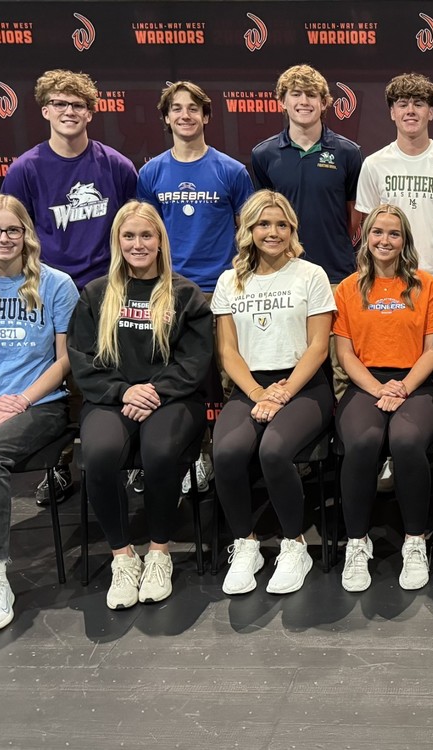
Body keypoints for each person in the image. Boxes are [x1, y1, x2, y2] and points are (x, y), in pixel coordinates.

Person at [1, 69, 138, 505]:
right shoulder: (26, 169)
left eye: (77, 104)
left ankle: (133, 461)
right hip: (51, 292)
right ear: (45, 110)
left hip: (108, 288)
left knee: (123, 372)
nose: (69, 111)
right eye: (59, 104)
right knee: (61, 381)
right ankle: (58, 465)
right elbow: (12, 233)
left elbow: (135, 229)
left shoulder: (115, 165)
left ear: (90, 113)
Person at [68, 201, 213, 610]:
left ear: (160, 241)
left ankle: (159, 553)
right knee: (98, 454)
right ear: (117, 241)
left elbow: (195, 361)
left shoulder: (185, 295)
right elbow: (83, 358)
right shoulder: (96, 294)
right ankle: (123, 557)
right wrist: (123, 391)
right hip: (112, 398)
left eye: (146, 235)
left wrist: (153, 391)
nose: (138, 244)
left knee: (160, 451)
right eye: (129, 236)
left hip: (173, 399)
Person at [0, 195, 78, 632]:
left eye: (13, 230)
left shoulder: (56, 285)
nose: (4, 238)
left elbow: (64, 361)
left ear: (27, 234)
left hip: (40, 405)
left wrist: (21, 401)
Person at [211, 190, 335, 596]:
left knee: (274, 451)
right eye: (264, 224)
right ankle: (245, 544)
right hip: (251, 385)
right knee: (227, 452)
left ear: (292, 230)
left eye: (282, 224)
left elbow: (319, 346)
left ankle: (294, 543)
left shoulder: (310, 275)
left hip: (304, 385)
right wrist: (256, 392)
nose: (273, 232)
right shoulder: (230, 281)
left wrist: (281, 394)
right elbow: (228, 351)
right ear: (248, 230)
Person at [137, 80, 255, 494]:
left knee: (223, 377)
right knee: (177, 377)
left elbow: (249, 229)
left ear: (206, 116)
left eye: (193, 108)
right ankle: (191, 454)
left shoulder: (231, 170)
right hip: (169, 289)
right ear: (167, 118)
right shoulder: (151, 172)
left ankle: (225, 452)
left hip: (221, 288)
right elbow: (144, 233)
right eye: (176, 109)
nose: (184, 115)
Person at [334, 205, 433, 592]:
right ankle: (356, 542)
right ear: (365, 238)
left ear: (405, 241)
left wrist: (403, 386)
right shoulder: (348, 288)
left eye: (394, 234)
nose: (384, 240)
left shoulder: (427, 286)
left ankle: (415, 542)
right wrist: (378, 388)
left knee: (406, 440)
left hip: (416, 382)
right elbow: (345, 354)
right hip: (367, 382)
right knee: (362, 442)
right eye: (377, 232)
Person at [355, 72, 433, 291]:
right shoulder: (374, 164)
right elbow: (369, 227)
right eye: (402, 105)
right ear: (392, 113)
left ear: (431, 112)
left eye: (418, 104)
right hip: (391, 281)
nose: (410, 111)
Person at [250, 64, 362, 287]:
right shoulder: (263, 155)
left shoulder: (348, 152)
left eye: (311, 95)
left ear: (323, 103)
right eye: (296, 94)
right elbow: (263, 216)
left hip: (335, 271)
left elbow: (354, 214)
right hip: (281, 271)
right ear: (282, 102)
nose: (304, 101)